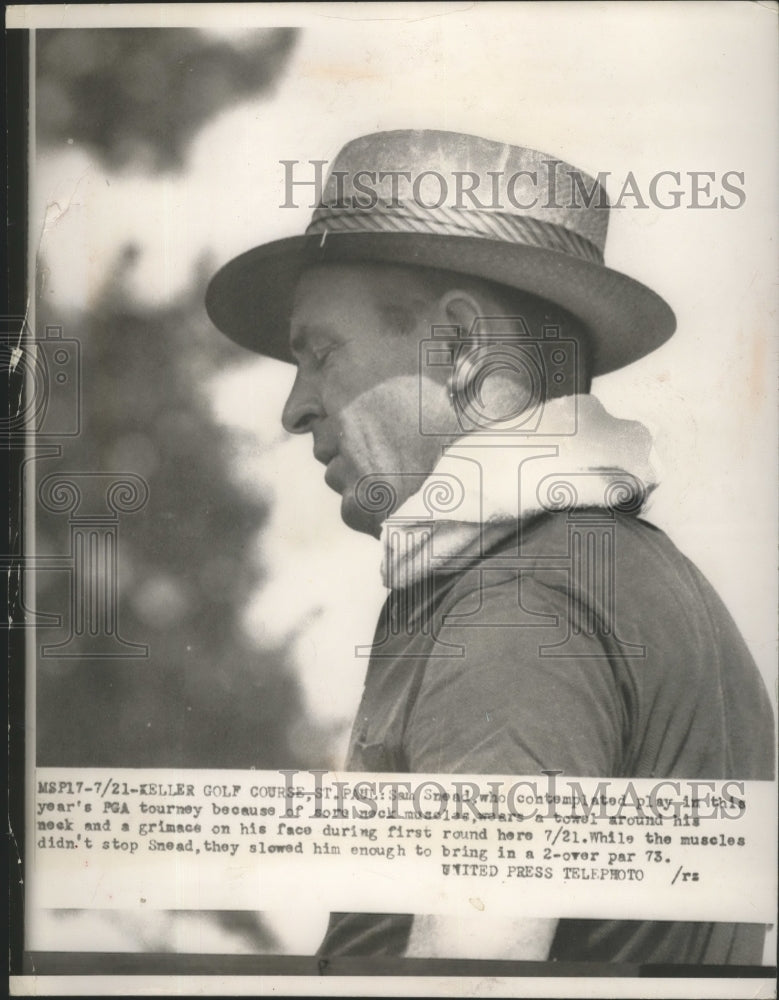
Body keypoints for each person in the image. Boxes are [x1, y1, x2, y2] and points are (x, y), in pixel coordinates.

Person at [206, 130, 775, 964]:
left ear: (462, 347)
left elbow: (467, 984)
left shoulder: (514, 608)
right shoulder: (627, 573)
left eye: (321, 353)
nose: (295, 410)